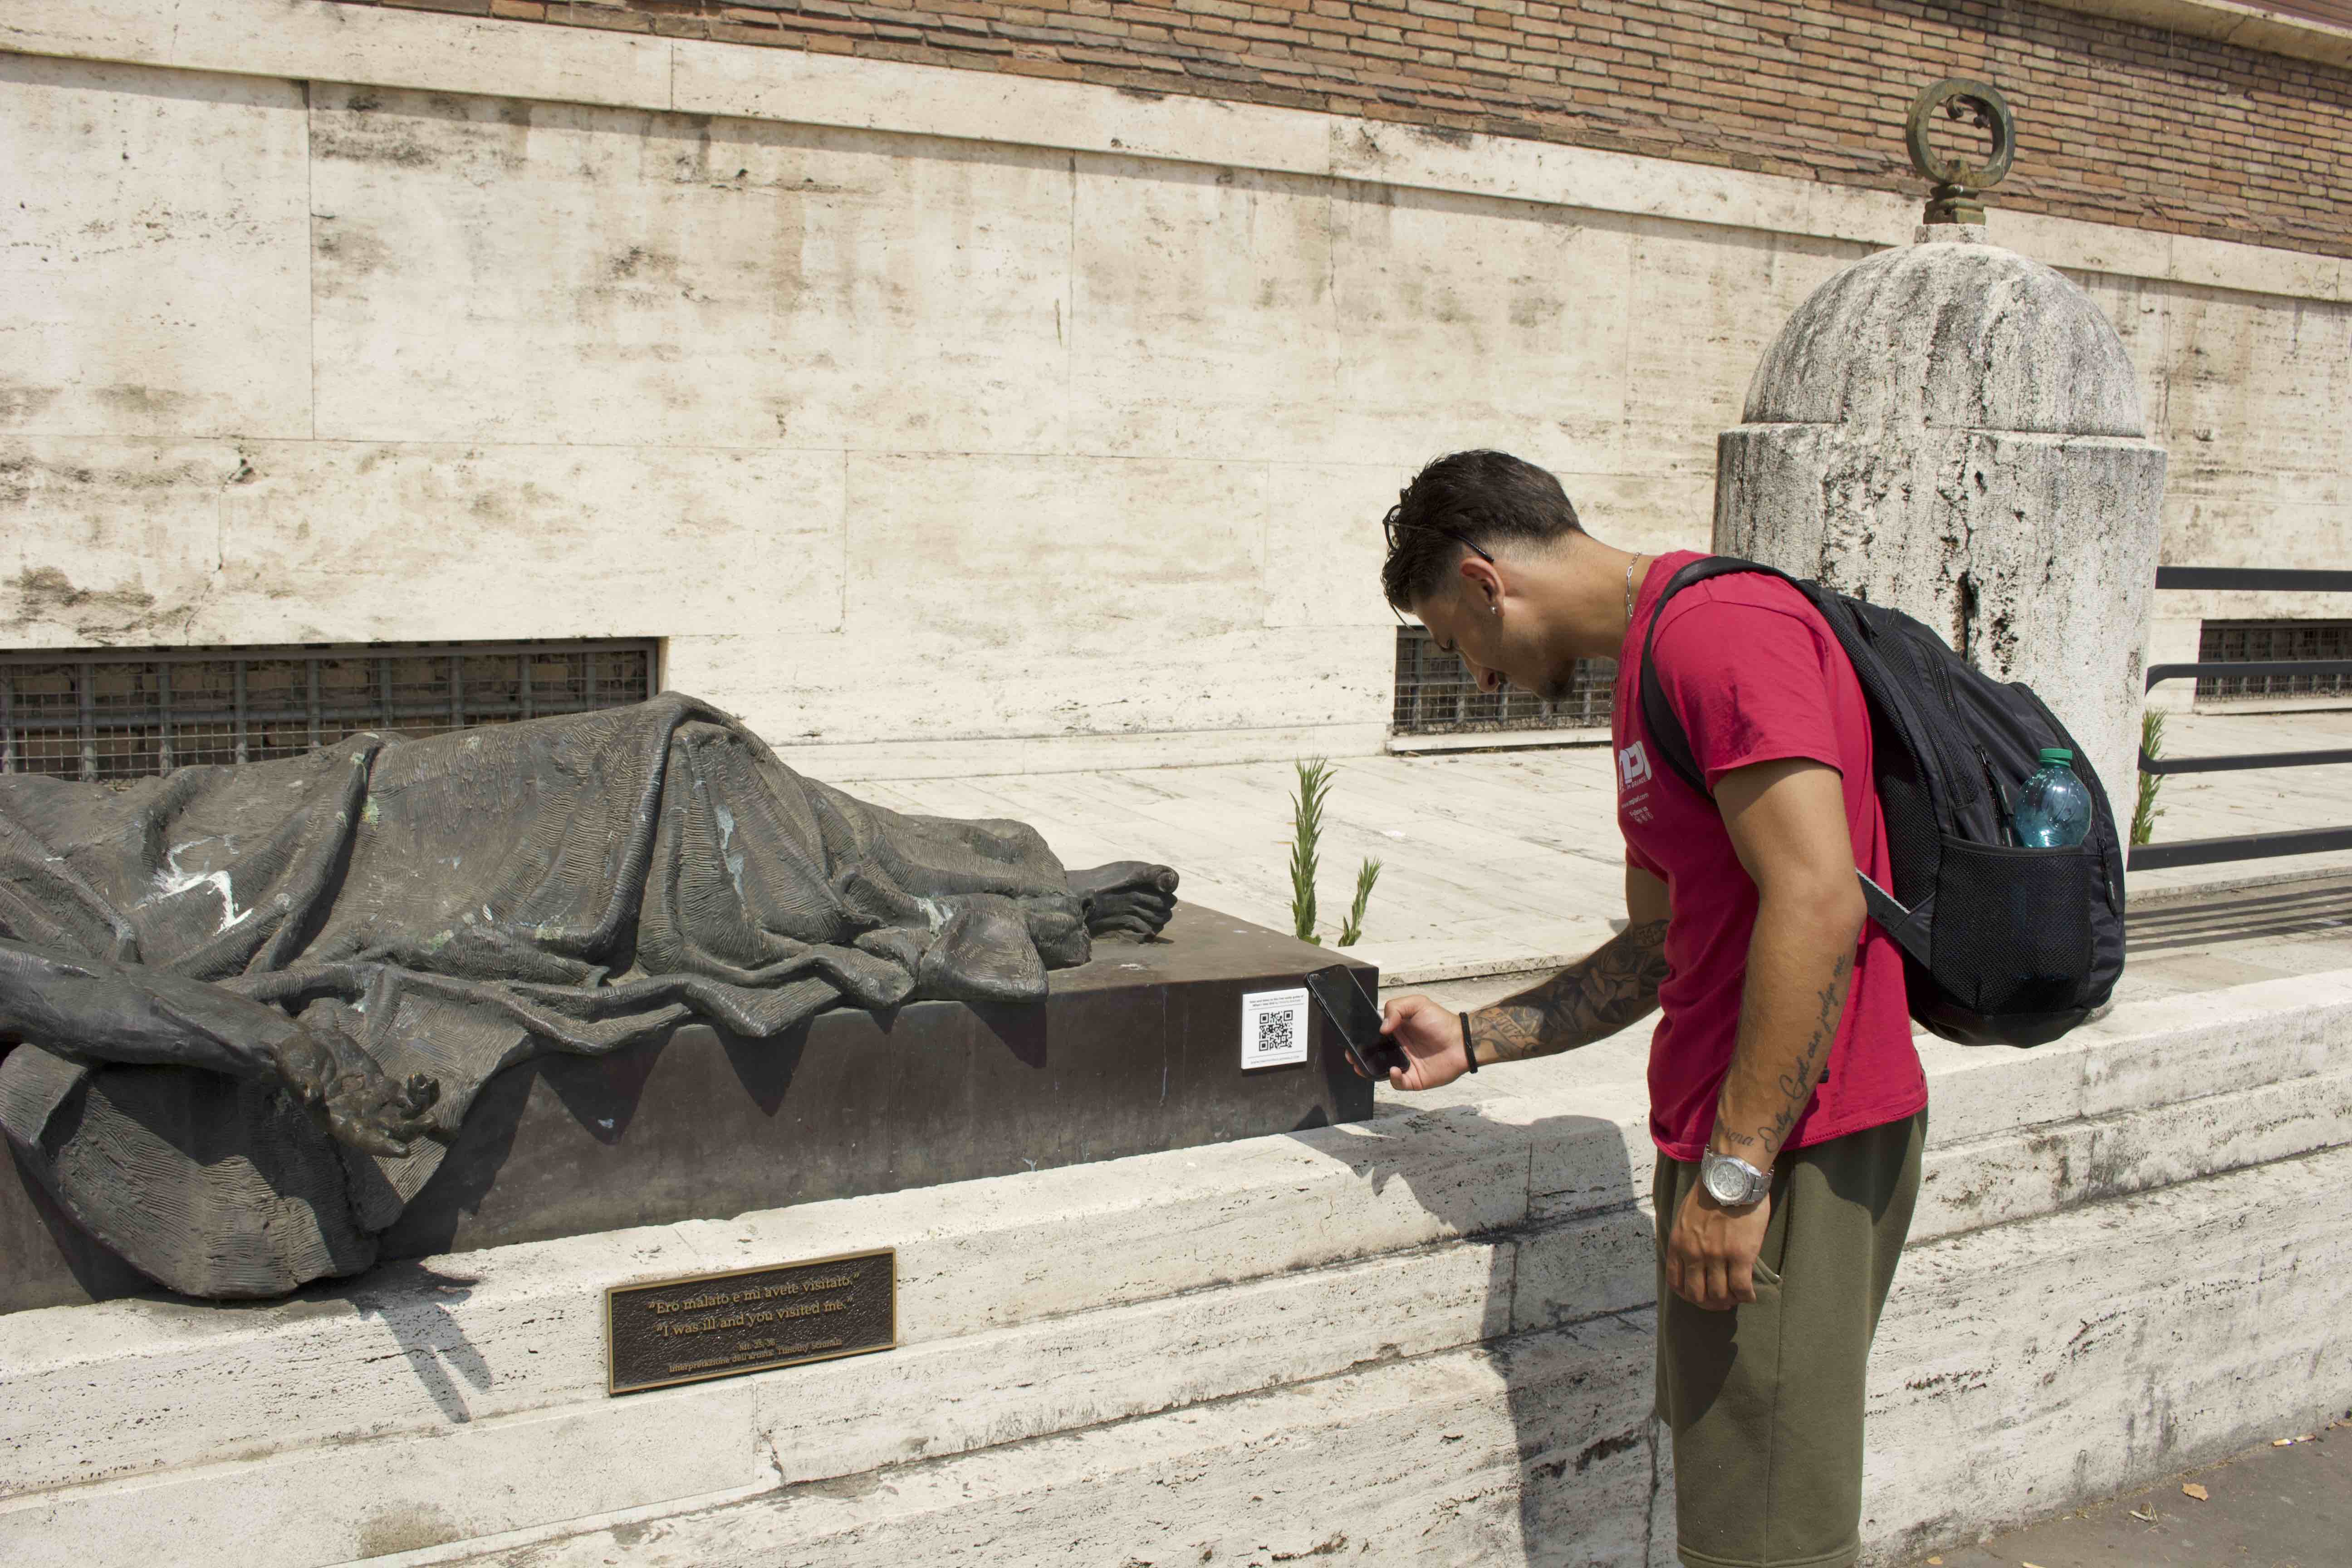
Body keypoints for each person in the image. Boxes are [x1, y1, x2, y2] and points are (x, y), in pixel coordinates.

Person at [1374, 451, 1927, 1568]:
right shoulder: (1650, 668)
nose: (1476, 675)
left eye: (1452, 639)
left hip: (1791, 1150)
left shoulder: (1719, 635)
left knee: (1767, 1541)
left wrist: (1736, 1177)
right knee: (1734, 1507)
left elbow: (1819, 901)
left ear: (1485, 583)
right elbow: (1666, 945)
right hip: (1737, 1140)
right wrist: (1476, 1039)